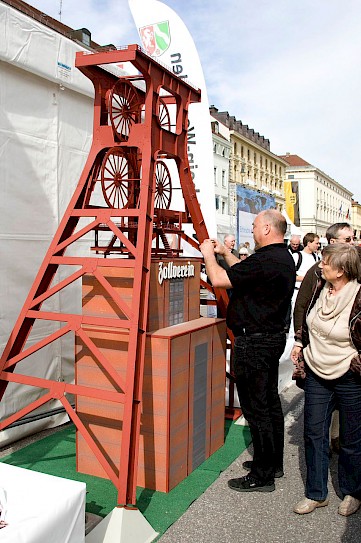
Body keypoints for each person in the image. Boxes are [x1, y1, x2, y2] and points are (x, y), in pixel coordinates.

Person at [200, 209, 295, 492]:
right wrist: (225, 254)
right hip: (269, 338)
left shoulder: (267, 260)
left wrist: (208, 253)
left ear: (266, 228)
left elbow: (219, 279)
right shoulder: (280, 257)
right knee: (269, 403)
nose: (252, 231)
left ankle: (261, 474)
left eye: (254, 226)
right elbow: (243, 271)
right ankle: (271, 462)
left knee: (257, 409)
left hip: (254, 342)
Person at [291, 244, 361, 516]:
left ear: (341, 270)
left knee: (352, 439)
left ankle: (352, 492)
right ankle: (316, 494)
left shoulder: (358, 295)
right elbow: (305, 316)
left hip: (349, 374)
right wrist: (300, 342)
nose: (321, 265)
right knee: (314, 433)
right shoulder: (320, 287)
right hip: (316, 370)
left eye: (326, 262)